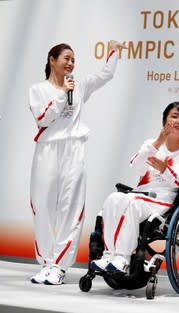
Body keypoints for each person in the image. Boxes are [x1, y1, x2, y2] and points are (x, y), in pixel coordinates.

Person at [29, 40, 127, 285]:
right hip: (48, 149)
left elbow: (105, 75)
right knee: (42, 206)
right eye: (67, 58)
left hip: (73, 149)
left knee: (70, 208)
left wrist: (114, 51)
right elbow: (43, 118)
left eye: (74, 60)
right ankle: (46, 263)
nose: (71, 64)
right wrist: (63, 93)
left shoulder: (79, 85)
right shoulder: (38, 89)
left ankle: (60, 267)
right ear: (52, 60)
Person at [91, 101, 179, 274]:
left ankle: (122, 257)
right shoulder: (152, 144)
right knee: (113, 198)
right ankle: (109, 256)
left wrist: (165, 171)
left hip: (165, 200)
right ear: (164, 121)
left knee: (131, 202)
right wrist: (158, 142)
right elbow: (136, 166)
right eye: (174, 116)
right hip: (140, 194)